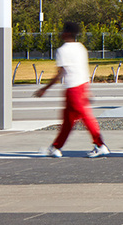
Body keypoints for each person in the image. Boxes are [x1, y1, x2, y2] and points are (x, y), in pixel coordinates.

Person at [35, 21, 108, 158]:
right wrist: (87, 89)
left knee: (85, 118)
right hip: (81, 87)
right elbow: (84, 70)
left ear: (67, 33)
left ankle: (100, 145)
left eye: (63, 31)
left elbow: (60, 73)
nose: (61, 33)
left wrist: (45, 88)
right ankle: (55, 147)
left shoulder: (63, 50)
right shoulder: (81, 48)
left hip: (73, 89)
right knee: (68, 122)